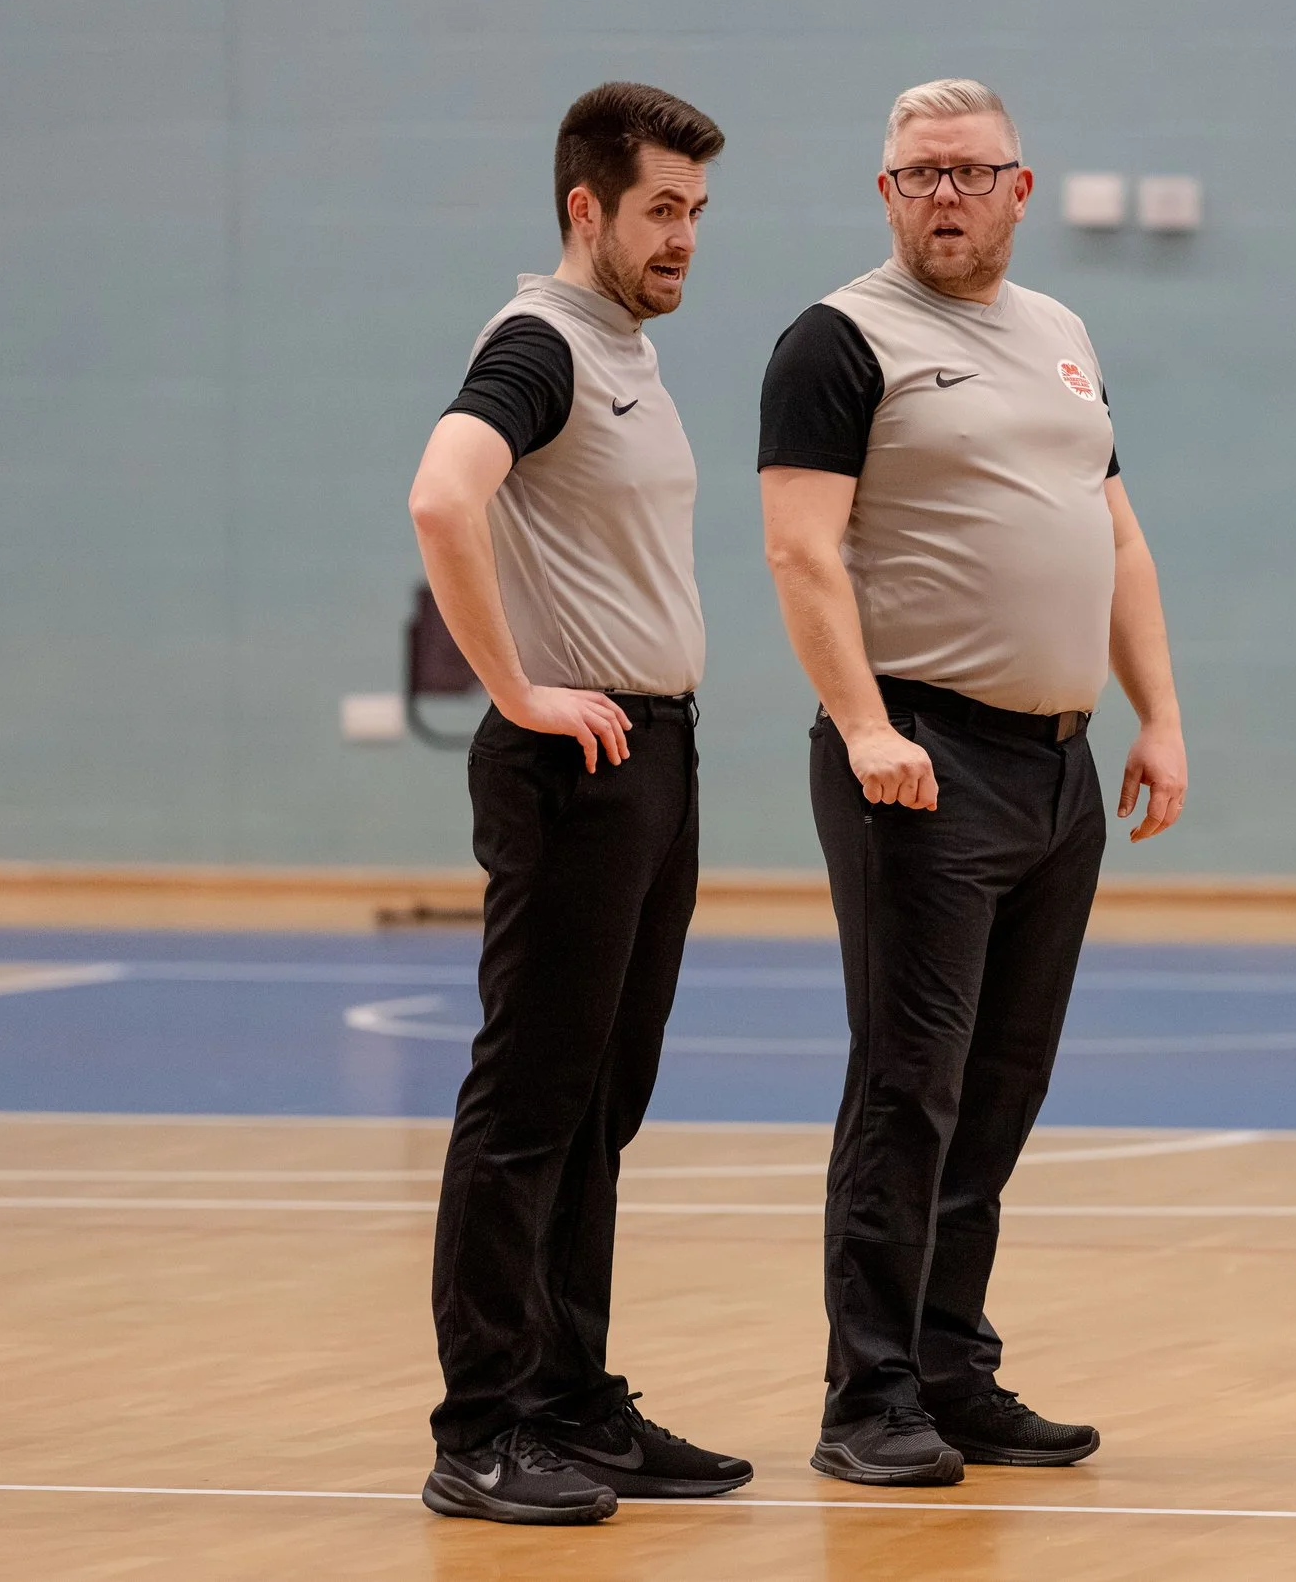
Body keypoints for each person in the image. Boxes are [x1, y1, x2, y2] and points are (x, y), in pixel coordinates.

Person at [758, 79, 1189, 1487]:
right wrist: (866, 724)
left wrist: (1157, 717)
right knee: (909, 1084)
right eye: (916, 174)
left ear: (1019, 185)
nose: (943, 194)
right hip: (921, 763)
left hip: (1058, 774)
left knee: (1000, 1084)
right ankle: (867, 1392)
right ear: (883, 195)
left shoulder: (1062, 334)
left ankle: (951, 1367)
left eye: (968, 171)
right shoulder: (838, 341)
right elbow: (801, 550)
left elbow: (1113, 535)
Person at [407, 81, 752, 1525]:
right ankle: (480, 1427)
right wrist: (520, 689)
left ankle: (570, 1396)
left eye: (697, 213)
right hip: (575, 763)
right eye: (662, 210)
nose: (684, 239)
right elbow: (443, 494)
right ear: (585, 209)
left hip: (651, 759)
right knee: (530, 1102)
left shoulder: (625, 348)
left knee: (602, 1099)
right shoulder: (541, 341)